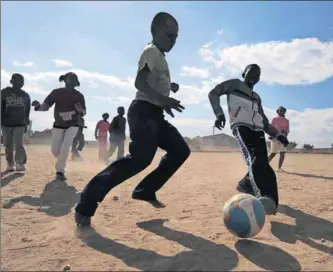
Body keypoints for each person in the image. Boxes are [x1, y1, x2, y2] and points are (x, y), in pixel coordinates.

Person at [74, 12, 189, 227]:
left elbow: (153, 82)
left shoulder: (160, 56)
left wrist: (167, 92)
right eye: (169, 35)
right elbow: (140, 82)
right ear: (155, 32)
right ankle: (86, 203)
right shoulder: (152, 51)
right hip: (143, 112)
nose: (172, 40)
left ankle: (145, 190)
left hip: (155, 114)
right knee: (139, 160)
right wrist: (163, 100)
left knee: (181, 150)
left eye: (175, 37)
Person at [208, 64, 289, 215]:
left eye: (258, 75)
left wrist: (278, 135)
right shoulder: (234, 85)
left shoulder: (257, 97)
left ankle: (267, 198)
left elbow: (264, 121)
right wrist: (219, 113)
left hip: (258, 130)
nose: (255, 76)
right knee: (255, 159)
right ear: (244, 72)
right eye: (252, 72)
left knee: (264, 164)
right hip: (241, 126)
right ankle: (262, 196)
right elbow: (214, 93)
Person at [32, 72, 86, 180]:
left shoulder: (79, 96)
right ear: (64, 80)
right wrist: (38, 106)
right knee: (55, 150)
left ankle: (60, 171)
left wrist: (80, 110)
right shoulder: (56, 92)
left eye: (74, 79)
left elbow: (84, 112)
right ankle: (61, 159)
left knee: (65, 147)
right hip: (58, 125)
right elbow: (46, 106)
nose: (71, 81)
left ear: (77, 83)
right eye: (69, 78)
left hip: (73, 125)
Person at [1, 73, 31, 172]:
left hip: (20, 123)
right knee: (8, 144)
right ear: (11, 81)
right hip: (6, 123)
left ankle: (19, 163)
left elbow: (27, 111)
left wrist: (26, 123)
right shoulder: (4, 93)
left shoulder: (26, 95)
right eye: (16, 80)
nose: (18, 83)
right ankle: (10, 164)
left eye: (20, 81)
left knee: (19, 143)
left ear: (23, 83)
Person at [268, 106, 290, 172]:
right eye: (279, 110)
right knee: (273, 153)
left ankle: (279, 168)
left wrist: (285, 131)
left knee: (282, 153)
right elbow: (270, 127)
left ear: (284, 112)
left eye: (282, 110)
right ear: (277, 111)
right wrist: (271, 135)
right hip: (275, 137)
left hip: (283, 138)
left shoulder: (287, 120)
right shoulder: (274, 119)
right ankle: (264, 165)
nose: (280, 112)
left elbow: (288, 129)